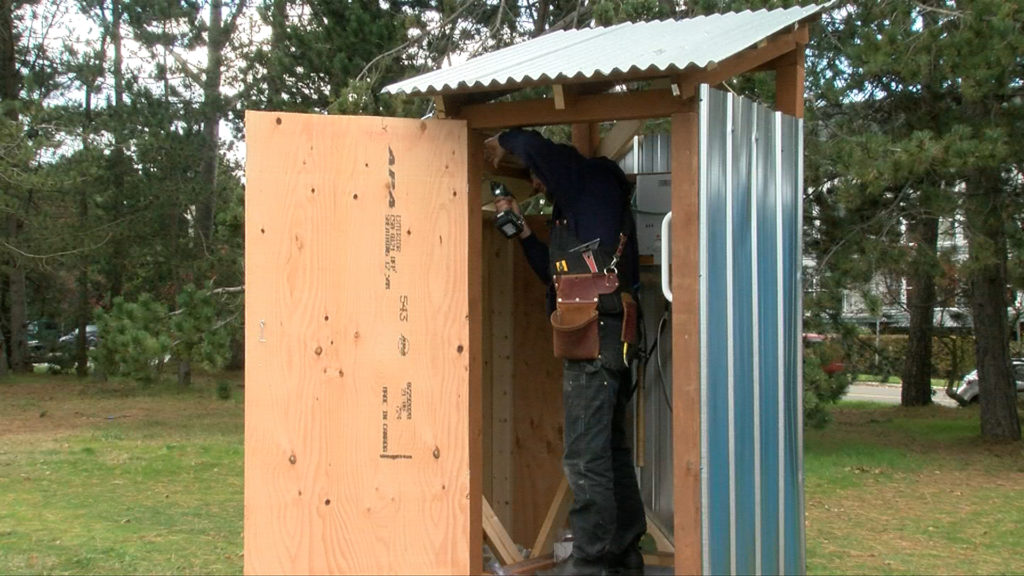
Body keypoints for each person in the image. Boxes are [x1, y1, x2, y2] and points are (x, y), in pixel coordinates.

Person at [485, 129, 647, 576]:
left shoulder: (584, 178)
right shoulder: (581, 207)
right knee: (609, 449)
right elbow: (556, 278)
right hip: (608, 333)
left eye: (535, 178)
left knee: (583, 455)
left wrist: (505, 139)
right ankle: (624, 551)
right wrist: (520, 233)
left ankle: (592, 561)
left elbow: (535, 146)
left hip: (596, 335)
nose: (536, 185)